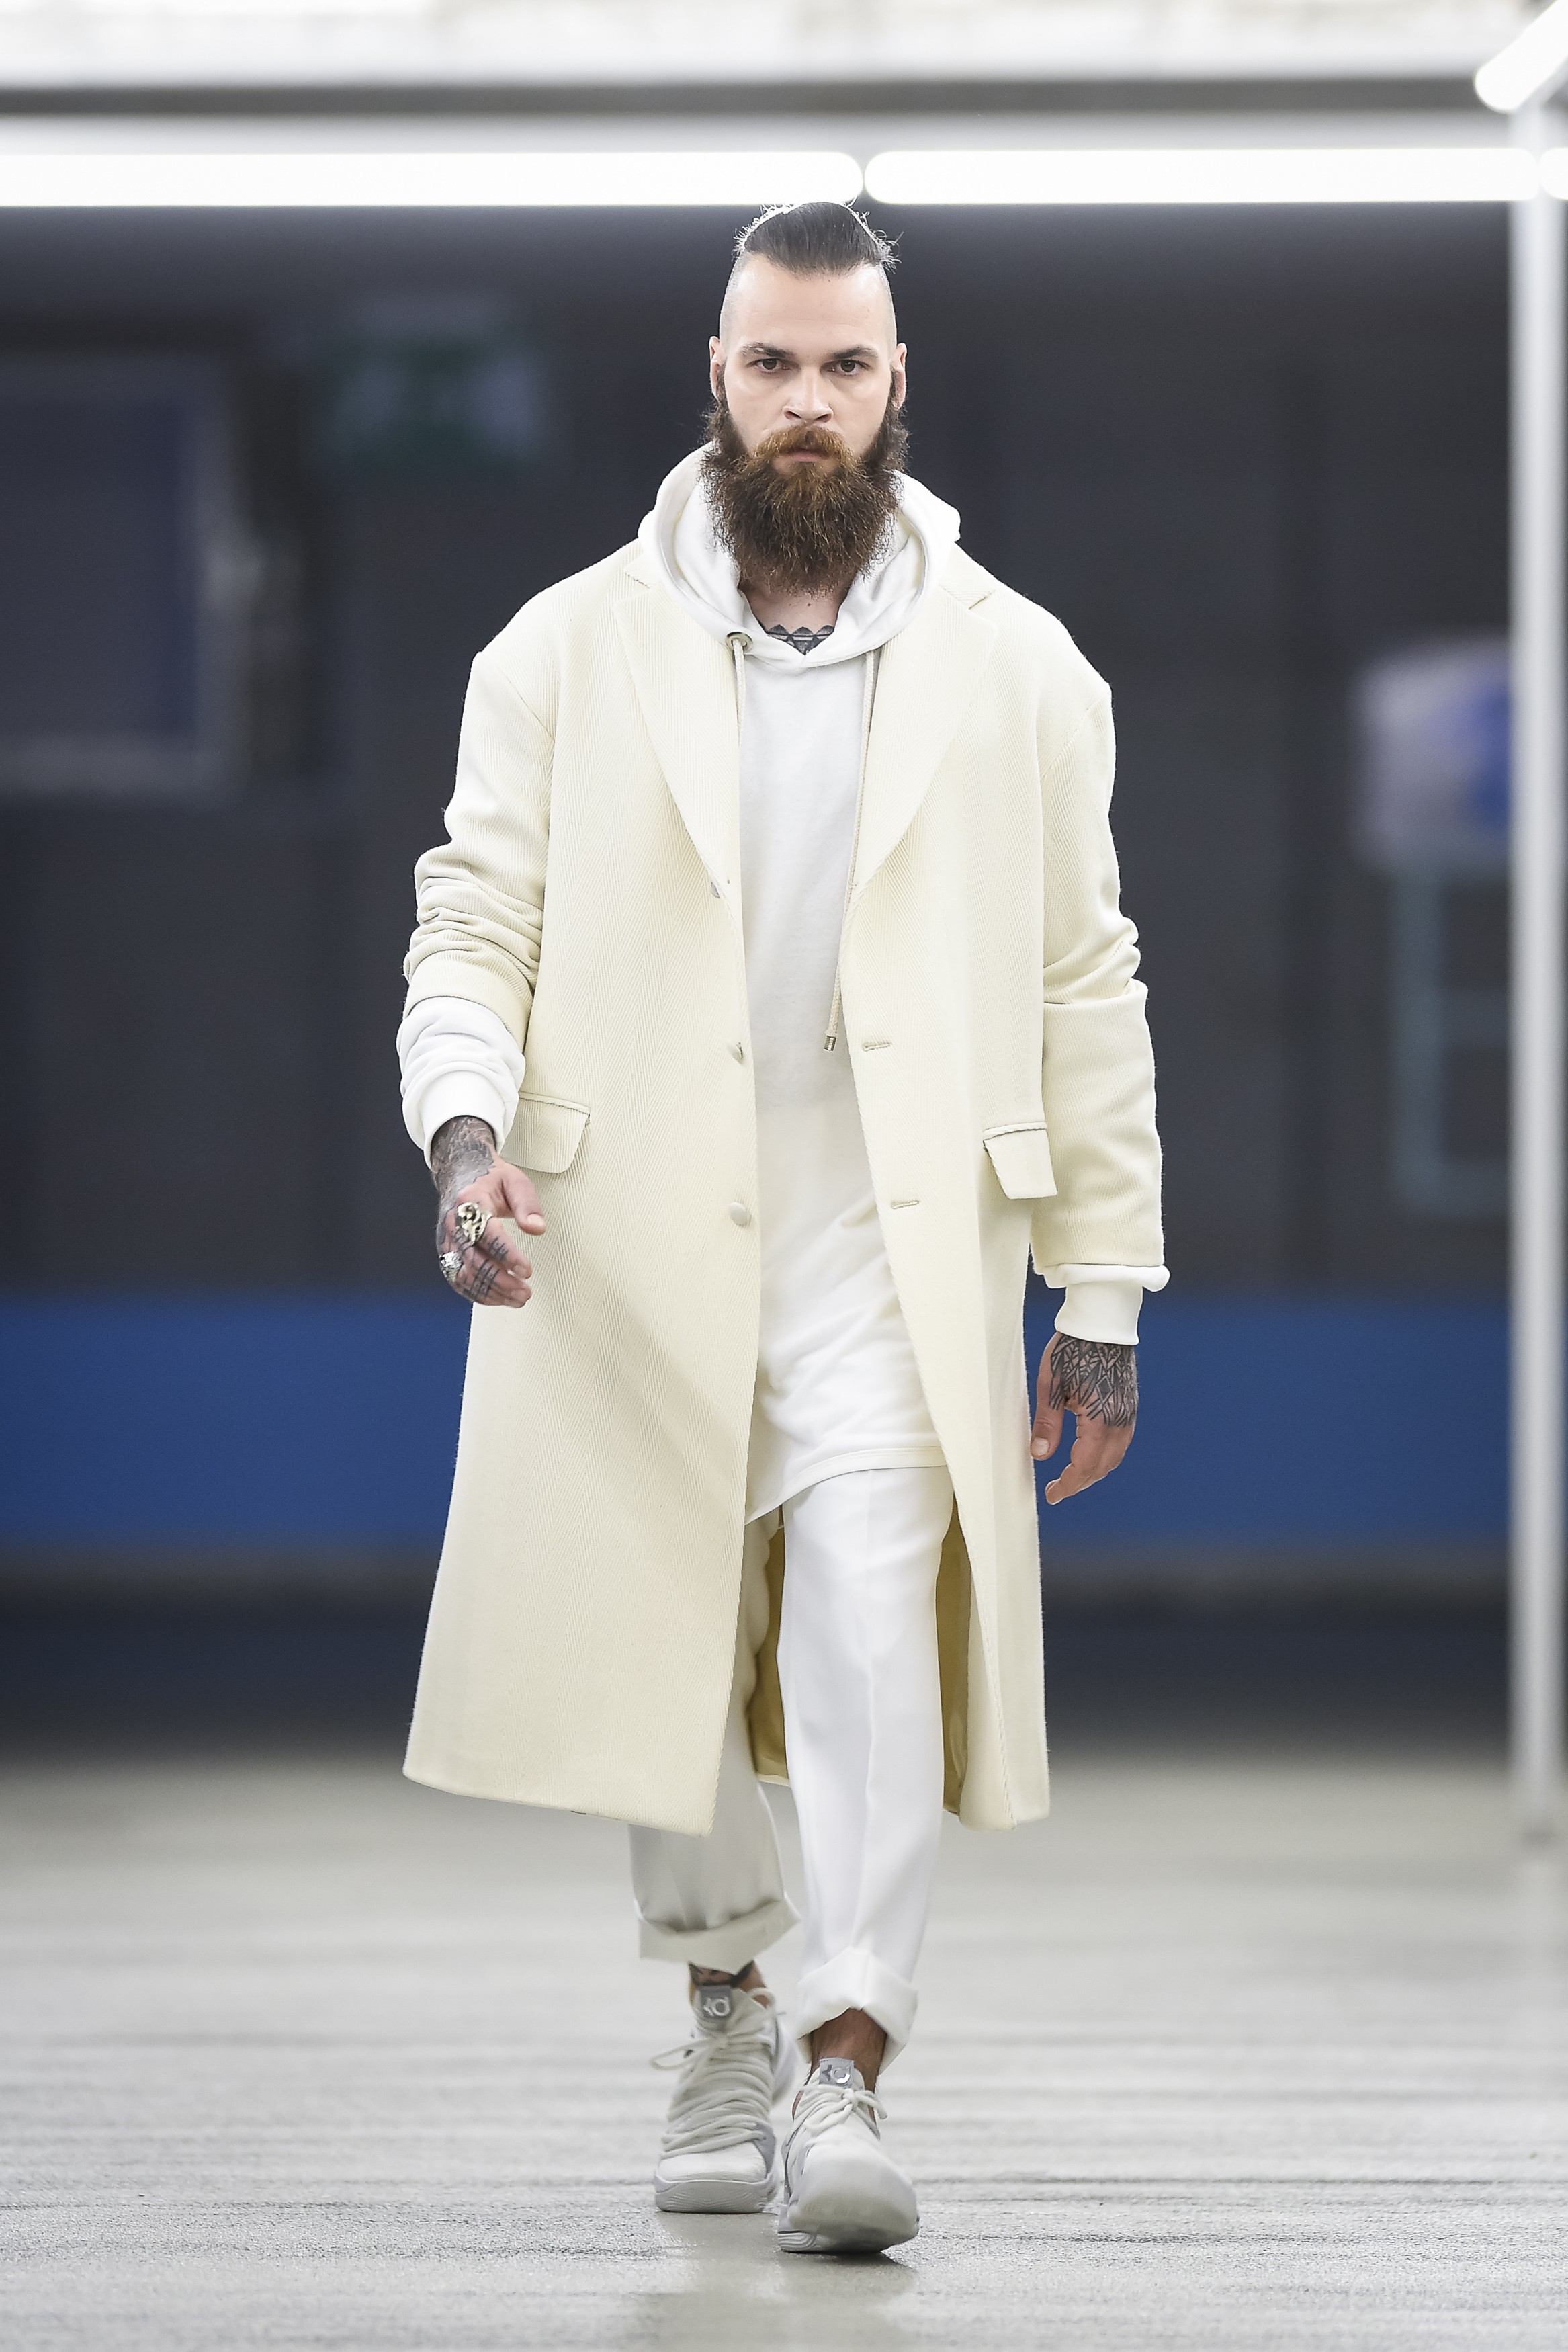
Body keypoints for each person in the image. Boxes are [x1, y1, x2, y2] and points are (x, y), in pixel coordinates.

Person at [396, 200, 1164, 2256]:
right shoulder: (561, 653)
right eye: (772, 364)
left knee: (866, 1642)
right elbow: (473, 923)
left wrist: (1100, 1284)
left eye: (842, 365)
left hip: (895, 1253)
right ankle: (727, 2007)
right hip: (630, 1240)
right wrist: (465, 1138)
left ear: (898, 384)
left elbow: (1085, 979)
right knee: (660, 1642)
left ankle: (848, 2057)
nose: (806, 402)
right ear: (715, 379)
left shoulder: (1018, 668)